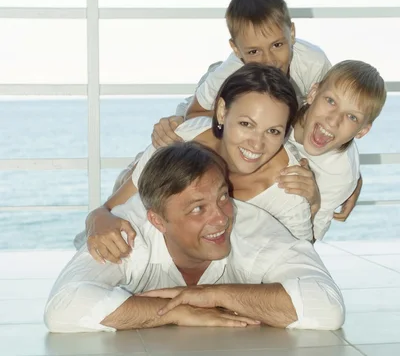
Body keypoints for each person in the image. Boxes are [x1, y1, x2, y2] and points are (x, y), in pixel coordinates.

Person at [45, 142, 345, 333]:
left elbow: (327, 306)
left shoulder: (254, 229)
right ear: (158, 221)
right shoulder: (129, 231)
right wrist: (174, 313)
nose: (221, 217)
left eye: (223, 197)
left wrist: (211, 296)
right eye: (198, 208)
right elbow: (63, 307)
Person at [83, 64, 319, 264]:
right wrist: (98, 220)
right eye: (246, 124)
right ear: (222, 112)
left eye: (273, 131)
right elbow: (109, 209)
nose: (257, 144)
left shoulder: (289, 191)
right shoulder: (181, 139)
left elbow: (303, 269)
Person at [151, 0, 331, 149]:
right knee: (171, 135)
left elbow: (332, 109)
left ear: (291, 33)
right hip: (210, 97)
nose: (269, 61)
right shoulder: (229, 73)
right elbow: (194, 113)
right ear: (237, 49)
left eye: (277, 45)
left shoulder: (314, 63)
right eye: (254, 51)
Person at [284, 60, 386, 239]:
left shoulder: (340, 176)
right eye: (331, 101)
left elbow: (308, 240)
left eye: (352, 117)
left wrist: (314, 202)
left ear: (362, 131)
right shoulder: (283, 109)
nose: (333, 120)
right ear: (313, 94)